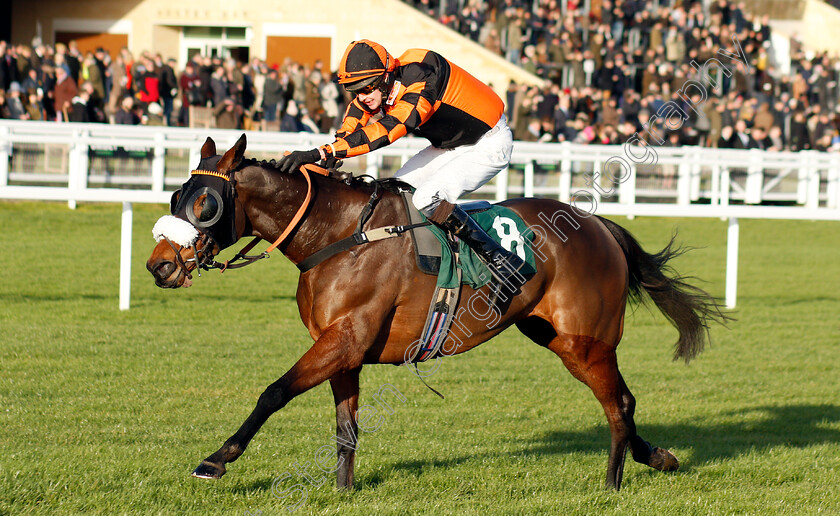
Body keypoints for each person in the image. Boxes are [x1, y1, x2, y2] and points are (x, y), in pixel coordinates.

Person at [277, 39, 524, 290]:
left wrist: (322, 151)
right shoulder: (381, 85)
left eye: (366, 89)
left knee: (426, 198)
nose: (362, 96)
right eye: (355, 90)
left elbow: (390, 129)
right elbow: (356, 113)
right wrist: (338, 148)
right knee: (393, 195)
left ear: (385, 78)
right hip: (450, 145)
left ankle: (497, 257)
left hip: (489, 144)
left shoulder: (423, 77)